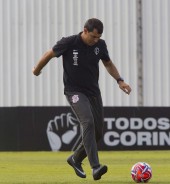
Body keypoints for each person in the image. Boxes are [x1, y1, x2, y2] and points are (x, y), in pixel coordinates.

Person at [32, 18, 132, 180]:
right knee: (88, 122)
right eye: (93, 36)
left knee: (98, 132)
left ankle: (76, 159)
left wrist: (120, 80)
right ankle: (95, 167)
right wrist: (37, 70)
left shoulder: (100, 45)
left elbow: (108, 63)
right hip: (74, 92)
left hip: (93, 92)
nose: (96, 40)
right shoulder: (69, 42)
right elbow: (49, 54)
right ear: (85, 30)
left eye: (98, 37)